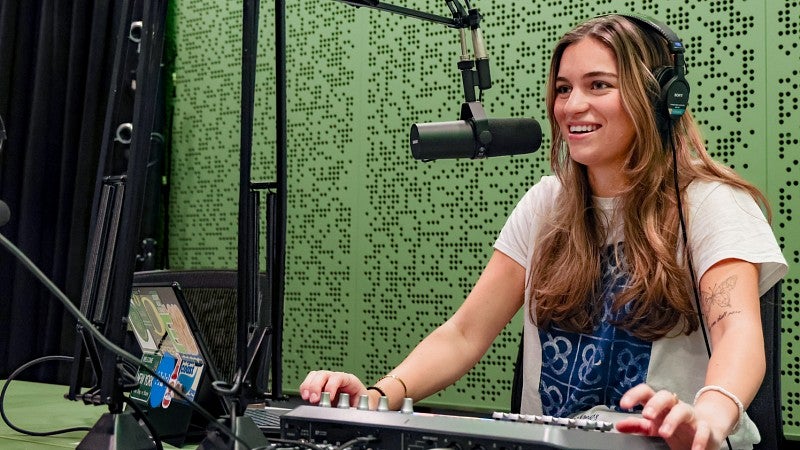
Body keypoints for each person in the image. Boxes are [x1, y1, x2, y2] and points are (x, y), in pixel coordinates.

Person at [299, 14, 787, 450]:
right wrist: (380, 395)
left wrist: (710, 414)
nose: (572, 105)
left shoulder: (711, 204)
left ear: (659, 99)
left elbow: (737, 331)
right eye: (563, 88)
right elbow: (465, 333)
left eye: (599, 85)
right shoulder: (545, 203)